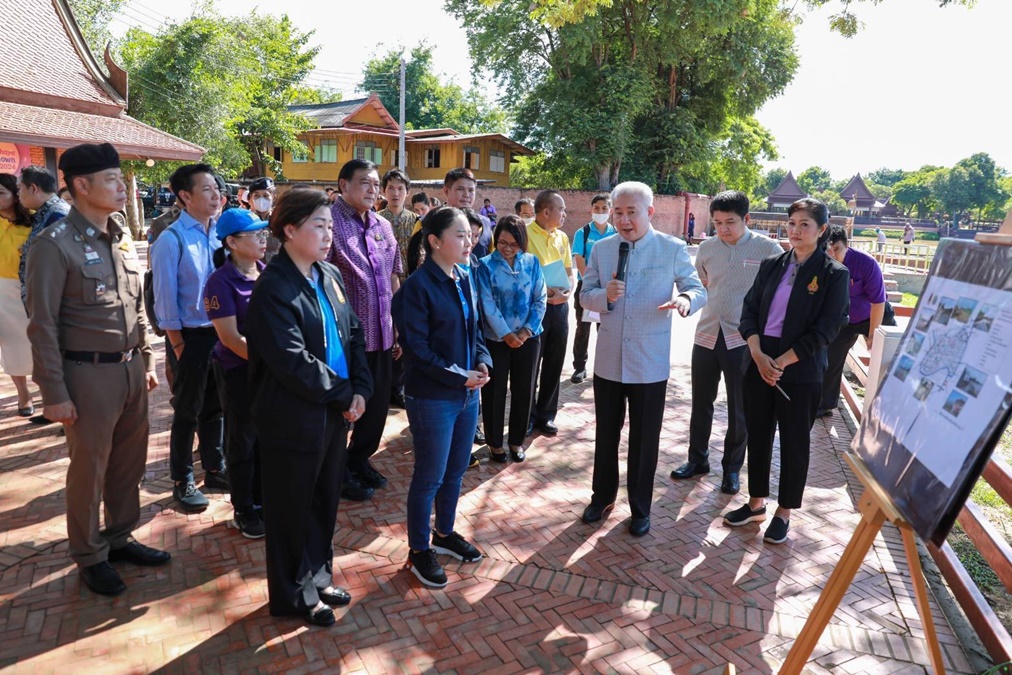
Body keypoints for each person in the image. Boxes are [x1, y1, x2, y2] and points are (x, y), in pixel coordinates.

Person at [25, 142, 168, 596]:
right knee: (89, 470)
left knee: (129, 463)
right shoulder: (55, 244)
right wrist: (53, 392)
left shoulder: (119, 238)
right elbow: (42, 324)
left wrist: (144, 359)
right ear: (82, 186)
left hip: (129, 372)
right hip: (85, 376)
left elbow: (135, 306)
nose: (122, 188)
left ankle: (120, 536)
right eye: (111, 180)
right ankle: (88, 554)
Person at [245, 188, 372, 627]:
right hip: (292, 415)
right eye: (318, 225)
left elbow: (353, 333)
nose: (327, 234)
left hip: (333, 411)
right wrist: (344, 394)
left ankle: (317, 577)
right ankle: (292, 594)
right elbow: (292, 360)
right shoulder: (273, 287)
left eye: (330, 225)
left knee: (322, 501)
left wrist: (361, 388)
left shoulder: (329, 275)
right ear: (289, 229)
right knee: (290, 508)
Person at [579, 182, 706, 537]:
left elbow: (697, 289)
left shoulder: (671, 248)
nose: (623, 219)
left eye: (631, 212)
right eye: (617, 212)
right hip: (608, 360)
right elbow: (584, 295)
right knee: (606, 434)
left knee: (645, 438)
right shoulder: (602, 250)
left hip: (649, 362)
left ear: (649, 213)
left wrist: (685, 301)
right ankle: (601, 497)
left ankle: (640, 508)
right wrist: (604, 295)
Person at [723, 198, 849, 545]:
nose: (795, 231)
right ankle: (756, 503)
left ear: (822, 230)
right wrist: (758, 353)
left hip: (800, 370)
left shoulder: (833, 274)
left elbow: (825, 330)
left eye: (804, 225)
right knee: (759, 435)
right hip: (760, 361)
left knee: (794, 442)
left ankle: (784, 512)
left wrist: (782, 362)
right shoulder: (772, 265)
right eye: (791, 223)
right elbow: (749, 312)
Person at [392, 206, 491, 588]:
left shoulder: (465, 276)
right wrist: (459, 377)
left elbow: (475, 331)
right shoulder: (416, 288)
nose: (471, 241)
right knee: (429, 476)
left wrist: (482, 362)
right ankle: (419, 550)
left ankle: (444, 533)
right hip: (433, 396)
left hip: (467, 394)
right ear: (435, 241)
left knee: (455, 470)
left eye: (471, 234)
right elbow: (417, 349)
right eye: (461, 235)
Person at [670, 191, 783, 495]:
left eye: (730, 222)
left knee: (739, 408)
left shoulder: (768, 249)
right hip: (707, 334)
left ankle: (731, 469)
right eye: (718, 222)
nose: (723, 229)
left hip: (743, 340)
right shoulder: (706, 248)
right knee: (700, 403)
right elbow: (703, 285)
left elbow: (776, 295)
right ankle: (697, 460)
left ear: (747, 219)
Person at [150, 163, 228, 512]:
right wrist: (178, 346)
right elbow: (164, 299)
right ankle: (182, 479)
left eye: (216, 188)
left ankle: (214, 467)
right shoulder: (171, 239)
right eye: (208, 189)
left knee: (216, 405)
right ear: (185, 196)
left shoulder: (217, 235)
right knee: (187, 410)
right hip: (188, 336)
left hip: (220, 333)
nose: (216, 195)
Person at [327, 159, 402, 502]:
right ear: (343, 185)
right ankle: (336, 471)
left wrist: (397, 322)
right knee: (344, 408)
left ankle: (359, 460)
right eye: (364, 183)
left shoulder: (383, 227)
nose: (373, 190)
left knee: (376, 407)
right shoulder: (328, 223)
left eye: (376, 184)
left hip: (383, 334)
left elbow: (393, 277)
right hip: (345, 341)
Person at [203, 209, 268, 538]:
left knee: (264, 438)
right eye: (254, 234)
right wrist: (270, 363)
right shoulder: (219, 282)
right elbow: (229, 338)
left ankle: (261, 499)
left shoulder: (266, 272)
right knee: (241, 440)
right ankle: (244, 508)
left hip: (267, 370)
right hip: (237, 371)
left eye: (262, 232)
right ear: (231, 242)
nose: (262, 238)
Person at [476, 215, 546, 463]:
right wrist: (506, 334)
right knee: (494, 392)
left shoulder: (532, 263)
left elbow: (540, 298)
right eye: (503, 242)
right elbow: (486, 303)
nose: (507, 248)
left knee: (524, 389)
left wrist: (526, 331)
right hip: (497, 339)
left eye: (513, 244)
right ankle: (495, 444)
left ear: (522, 243)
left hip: (528, 338)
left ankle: (516, 441)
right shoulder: (484, 265)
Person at [820, 224, 893, 417]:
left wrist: (872, 334)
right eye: (829, 250)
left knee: (888, 358)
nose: (833, 255)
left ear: (847, 245)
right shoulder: (824, 266)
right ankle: (826, 403)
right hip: (846, 318)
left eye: (837, 250)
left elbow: (878, 302)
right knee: (831, 357)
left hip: (875, 315)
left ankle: (887, 405)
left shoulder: (866, 263)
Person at [526, 190, 572, 436]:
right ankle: (527, 416)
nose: (565, 214)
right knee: (532, 364)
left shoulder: (562, 238)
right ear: (546, 212)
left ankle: (547, 415)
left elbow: (569, 270)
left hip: (560, 308)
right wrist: (545, 291)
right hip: (535, 309)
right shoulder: (525, 234)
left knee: (554, 363)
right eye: (561, 209)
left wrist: (567, 291)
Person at [378, 169, 419, 409]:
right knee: (386, 332)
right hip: (383, 285)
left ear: (407, 192)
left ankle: (401, 386)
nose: (395, 193)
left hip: (410, 285)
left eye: (400, 188)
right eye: (391, 188)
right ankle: (387, 385)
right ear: (384, 190)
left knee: (406, 334)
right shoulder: (375, 219)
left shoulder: (415, 221)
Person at [569, 194, 616, 384]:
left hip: (608, 289)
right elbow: (579, 259)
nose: (600, 212)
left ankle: (605, 368)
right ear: (591, 210)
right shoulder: (584, 233)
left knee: (606, 329)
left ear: (610, 211)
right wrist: (590, 282)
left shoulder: (616, 233)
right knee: (583, 328)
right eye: (597, 208)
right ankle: (580, 367)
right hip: (587, 288)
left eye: (604, 208)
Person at [0, 173, 35, 415]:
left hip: (28, 291)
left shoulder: (34, 223)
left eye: (1, 192)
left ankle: (49, 392)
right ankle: (24, 396)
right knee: (10, 346)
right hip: (1, 292)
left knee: (37, 344)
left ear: (15, 195)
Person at [16, 166, 70, 307]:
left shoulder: (58, 216)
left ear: (33, 188)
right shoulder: (44, 214)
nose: (18, 194)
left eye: (20, 188)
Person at [441, 168, 491, 249]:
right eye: (460, 189)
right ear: (446, 191)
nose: (466, 195)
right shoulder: (428, 222)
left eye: (471, 190)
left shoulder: (485, 224)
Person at [248, 177, 278, 262]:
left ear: (273, 197)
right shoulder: (246, 222)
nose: (261, 200)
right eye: (256, 196)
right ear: (251, 199)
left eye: (266, 195)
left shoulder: (280, 220)